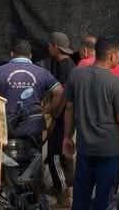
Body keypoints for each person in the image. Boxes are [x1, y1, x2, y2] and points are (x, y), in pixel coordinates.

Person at [63, 37, 119, 210]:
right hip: (109, 151)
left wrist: (67, 137)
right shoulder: (116, 83)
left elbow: (69, 108)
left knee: (80, 199)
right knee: (105, 200)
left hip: (84, 149)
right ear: (112, 56)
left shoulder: (76, 74)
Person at [0, 39, 62, 146]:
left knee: (7, 160)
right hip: (34, 126)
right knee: (34, 160)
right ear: (30, 55)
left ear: (11, 54)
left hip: (6, 127)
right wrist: (50, 110)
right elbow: (60, 92)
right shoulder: (42, 72)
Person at [44, 31, 76, 206]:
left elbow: (63, 93)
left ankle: (63, 193)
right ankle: (66, 189)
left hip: (63, 117)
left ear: (55, 46)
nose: (48, 48)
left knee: (54, 156)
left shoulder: (64, 66)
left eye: (49, 45)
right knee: (65, 155)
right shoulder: (66, 64)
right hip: (67, 117)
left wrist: (54, 112)